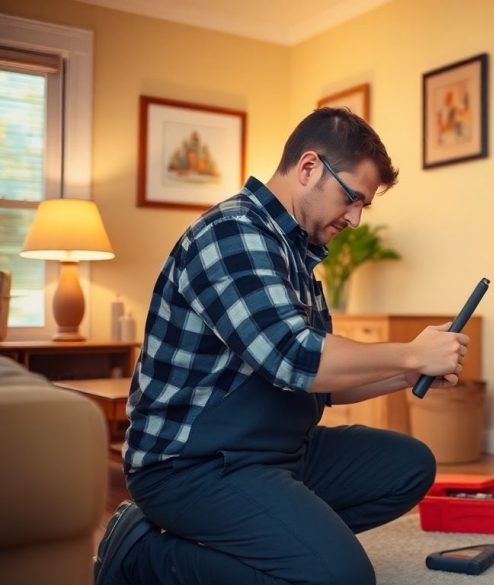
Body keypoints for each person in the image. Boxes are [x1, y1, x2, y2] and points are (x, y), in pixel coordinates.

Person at [94, 107, 469, 585]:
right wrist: (411, 352)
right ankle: (143, 555)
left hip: (278, 454)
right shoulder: (231, 233)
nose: (355, 218)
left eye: (363, 206)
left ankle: (277, 543)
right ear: (309, 168)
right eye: (351, 198)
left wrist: (406, 375)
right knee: (341, 577)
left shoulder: (295, 252)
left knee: (410, 466)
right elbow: (293, 357)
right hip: (192, 466)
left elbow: (322, 384)